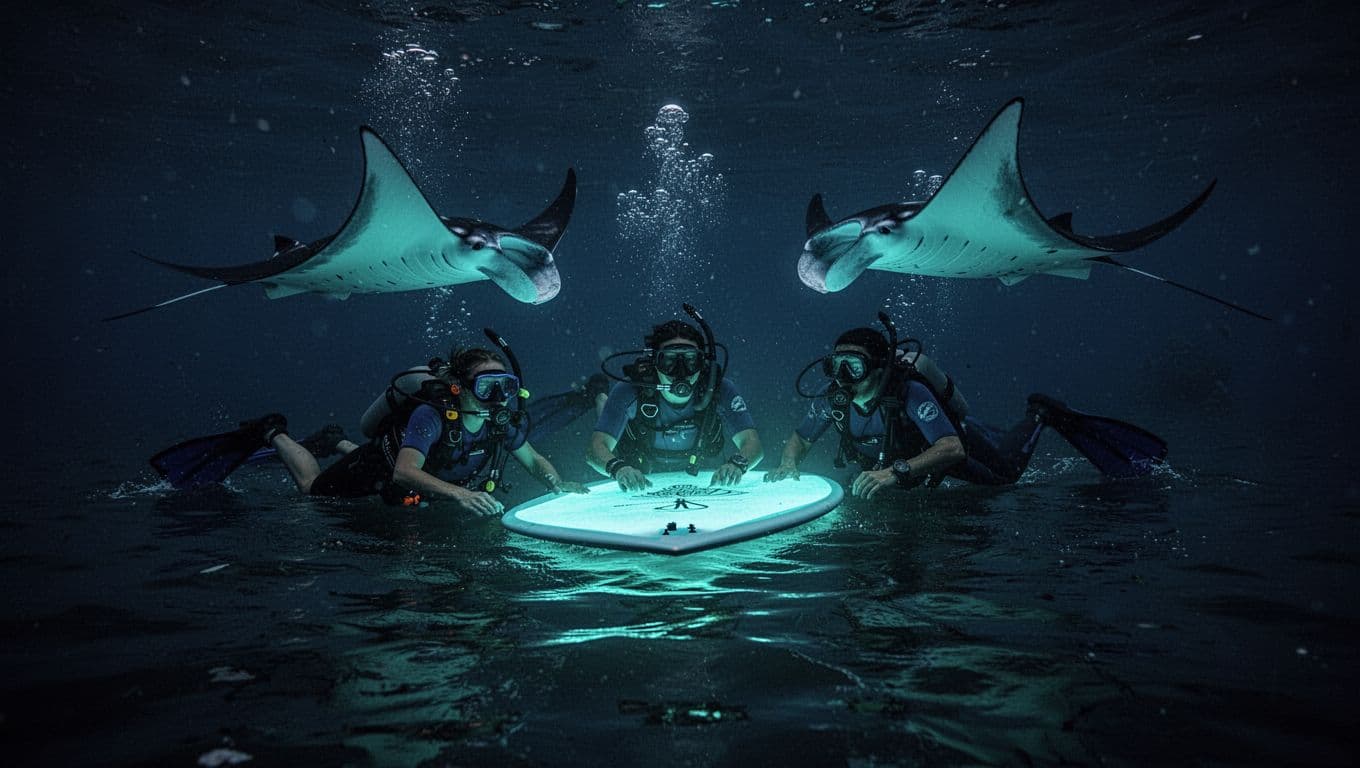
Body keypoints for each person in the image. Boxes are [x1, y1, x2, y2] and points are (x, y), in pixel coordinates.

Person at [765, 315, 1167, 498]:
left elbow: (952, 448)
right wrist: (789, 463)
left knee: (1006, 476)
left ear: (879, 369)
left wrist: (898, 471)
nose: (842, 378)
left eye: (853, 367)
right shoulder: (835, 400)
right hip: (898, 458)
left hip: (940, 449)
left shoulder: (909, 393)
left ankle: (1039, 413)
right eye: (836, 366)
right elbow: (800, 438)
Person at [264, 343, 586, 514]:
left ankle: (336, 441)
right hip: (378, 467)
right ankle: (274, 431)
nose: (499, 398)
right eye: (488, 387)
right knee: (311, 488)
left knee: (375, 458)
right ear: (460, 388)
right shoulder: (431, 416)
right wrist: (461, 494)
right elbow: (404, 472)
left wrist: (556, 483)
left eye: (506, 386)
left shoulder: (498, 424)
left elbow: (533, 460)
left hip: (419, 473)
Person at [588, 305, 763, 491]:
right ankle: (601, 398)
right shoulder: (629, 390)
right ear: (655, 362)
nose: (681, 372)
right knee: (606, 409)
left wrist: (737, 464)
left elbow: (753, 444)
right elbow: (595, 448)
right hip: (643, 462)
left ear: (702, 362)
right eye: (669, 360)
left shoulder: (720, 388)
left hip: (700, 463)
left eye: (690, 360)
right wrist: (618, 468)